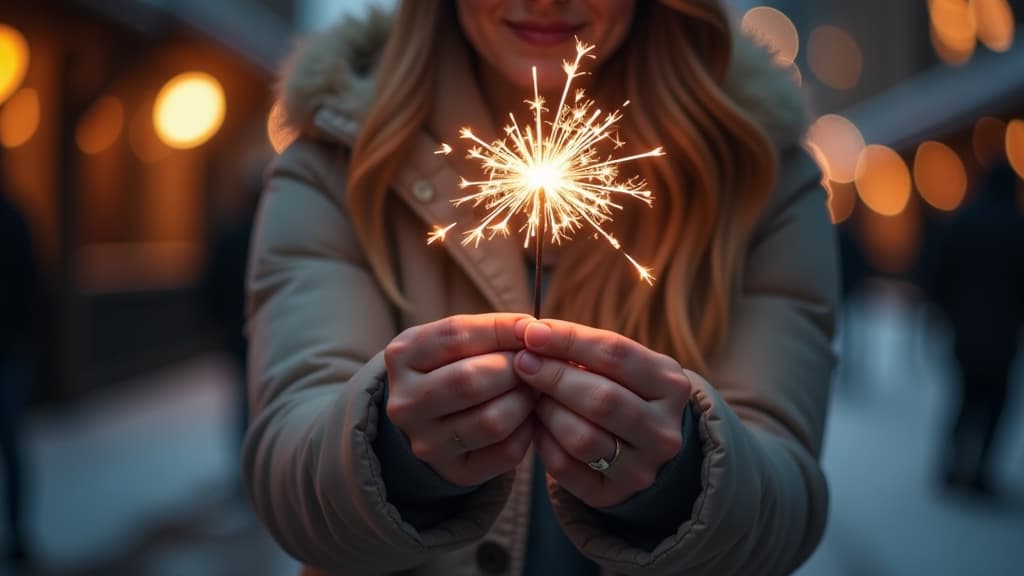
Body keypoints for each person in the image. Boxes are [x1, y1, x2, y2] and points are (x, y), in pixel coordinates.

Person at [242, 1, 838, 575]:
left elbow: (784, 510)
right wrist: (392, 454)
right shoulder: (334, 162)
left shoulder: (762, 174)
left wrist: (683, 475)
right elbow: (288, 485)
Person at [932, 161, 1024, 496]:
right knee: (995, 404)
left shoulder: (964, 220)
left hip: (966, 330)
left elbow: (942, 271)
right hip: (1003, 333)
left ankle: (952, 466)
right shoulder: (1017, 225)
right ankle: (980, 471)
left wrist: (944, 312)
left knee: (963, 398)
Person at [1, 163, 36, 566]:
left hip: (9, 350)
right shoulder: (15, 219)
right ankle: (17, 532)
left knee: (12, 446)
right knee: (12, 447)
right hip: (11, 350)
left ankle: (16, 530)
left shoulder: (13, 220)